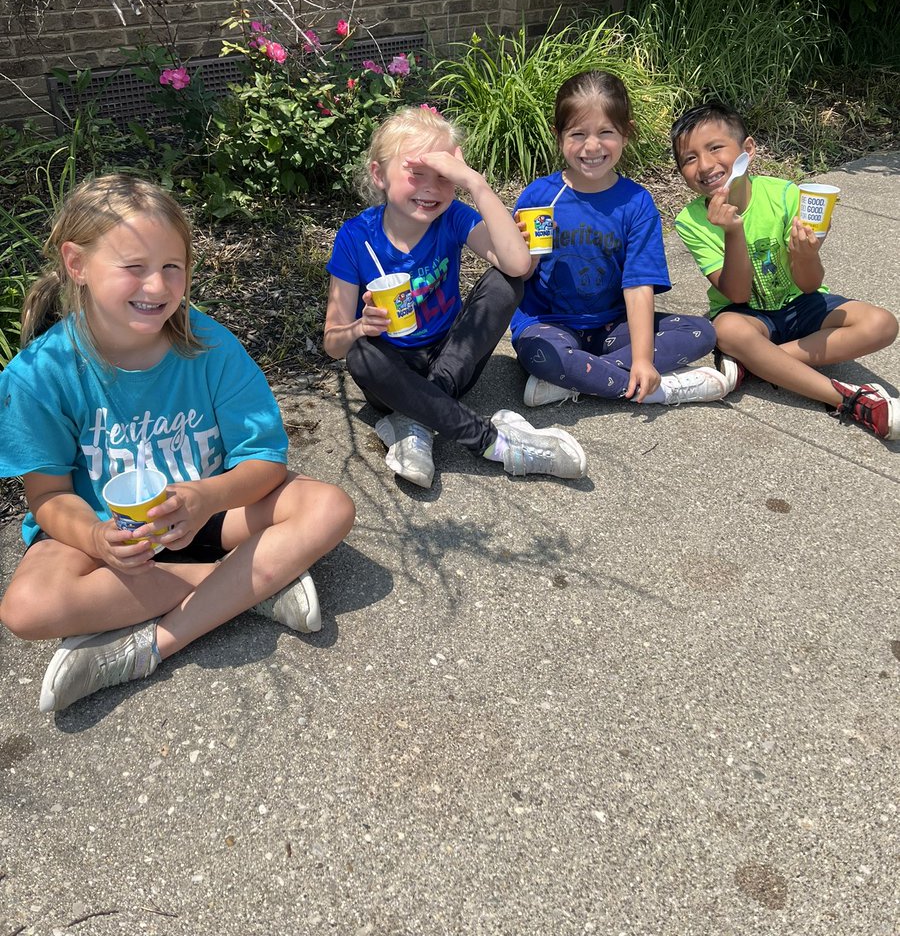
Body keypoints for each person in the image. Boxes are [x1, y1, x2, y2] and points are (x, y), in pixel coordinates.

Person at [0, 175, 355, 714]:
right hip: (116, 539)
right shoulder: (39, 374)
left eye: (172, 267)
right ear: (77, 264)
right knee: (25, 608)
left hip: (211, 514)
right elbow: (48, 496)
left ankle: (156, 644)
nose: (157, 287)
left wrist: (205, 498)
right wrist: (96, 538)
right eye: (133, 267)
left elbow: (264, 460)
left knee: (328, 506)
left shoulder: (208, 344)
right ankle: (252, 584)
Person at [323, 105, 587, 487]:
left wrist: (476, 184)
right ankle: (494, 443)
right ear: (379, 175)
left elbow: (516, 266)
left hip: (453, 362)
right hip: (392, 376)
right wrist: (360, 326)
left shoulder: (453, 217)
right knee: (360, 354)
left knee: (505, 284)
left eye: (445, 176)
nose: (432, 188)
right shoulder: (355, 238)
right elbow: (333, 343)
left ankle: (417, 421)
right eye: (417, 174)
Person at [672, 100, 899, 438]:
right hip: (746, 313)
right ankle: (848, 399)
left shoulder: (784, 195)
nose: (704, 165)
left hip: (799, 304)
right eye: (689, 159)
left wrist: (806, 255)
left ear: (747, 149)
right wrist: (733, 231)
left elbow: (809, 286)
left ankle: (762, 363)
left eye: (715, 148)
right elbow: (736, 293)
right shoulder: (691, 221)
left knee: (882, 323)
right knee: (729, 331)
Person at [511, 71, 727, 409]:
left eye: (606, 132)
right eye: (577, 134)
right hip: (549, 325)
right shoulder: (539, 196)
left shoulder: (635, 202)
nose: (592, 146)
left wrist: (642, 358)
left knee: (701, 332)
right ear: (559, 135)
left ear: (626, 133)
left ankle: (577, 381)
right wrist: (524, 255)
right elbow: (519, 275)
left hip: (614, 327)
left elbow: (638, 284)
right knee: (541, 354)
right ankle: (658, 390)